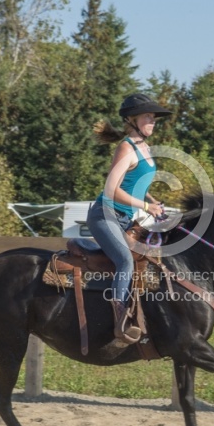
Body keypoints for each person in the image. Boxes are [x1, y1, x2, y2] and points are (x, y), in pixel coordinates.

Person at [87, 94, 172, 346]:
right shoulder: (126, 147)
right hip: (105, 216)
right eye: (148, 117)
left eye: (154, 118)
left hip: (124, 219)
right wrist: (145, 206)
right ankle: (120, 320)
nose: (153, 122)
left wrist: (152, 201)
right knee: (125, 260)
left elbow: (136, 183)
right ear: (132, 120)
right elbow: (112, 189)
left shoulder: (144, 148)